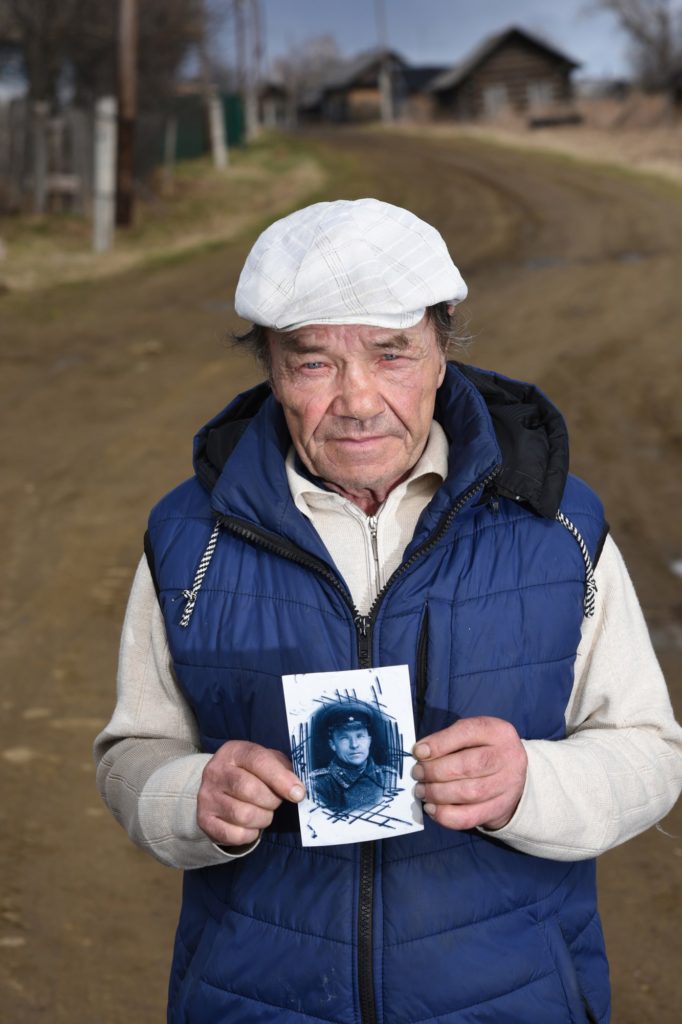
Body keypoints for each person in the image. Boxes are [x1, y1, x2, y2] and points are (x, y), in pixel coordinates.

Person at [95, 198, 682, 1024]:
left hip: (510, 1000)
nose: (358, 400)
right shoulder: (191, 537)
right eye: (313, 363)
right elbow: (132, 753)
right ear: (270, 368)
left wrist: (529, 784)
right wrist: (189, 797)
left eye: (391, 353)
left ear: (441, 350)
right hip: (258, 1002)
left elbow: (651, 753)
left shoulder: (557, 525)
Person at [309, 706, 396, 813]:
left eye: (360, 736)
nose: (354, 745)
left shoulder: (389, 777)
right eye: (344, 738)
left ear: (369, 741)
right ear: (333, 745)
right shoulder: (317, 785)